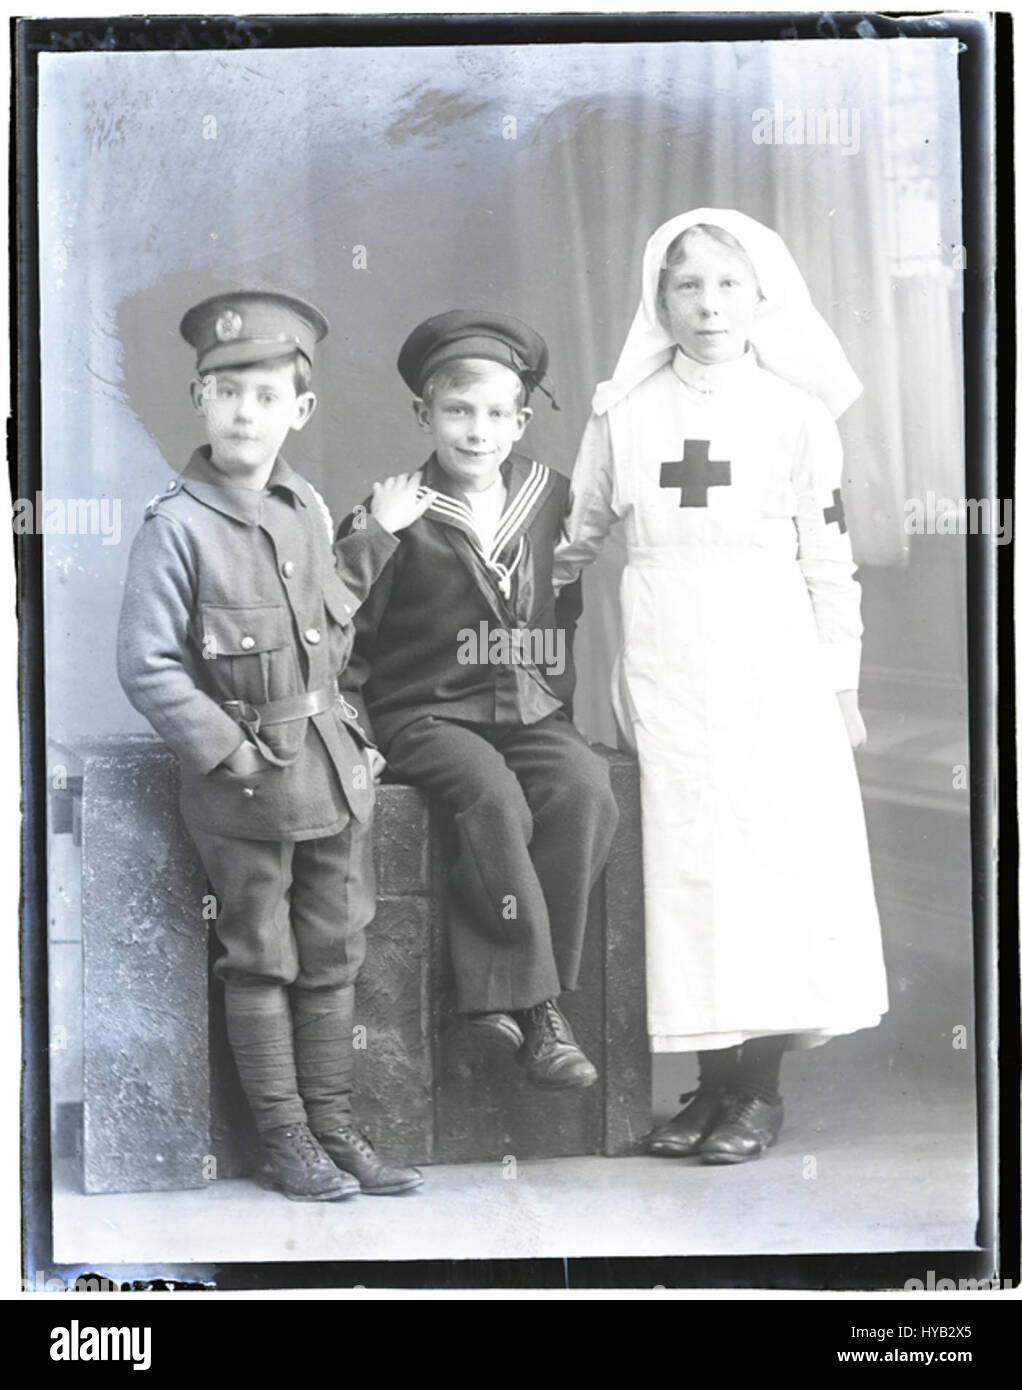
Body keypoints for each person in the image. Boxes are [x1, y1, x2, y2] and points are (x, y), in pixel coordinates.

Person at [554, 210, 889, 1163]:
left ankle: (759, 1095)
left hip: (775, 661)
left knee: (767, 866)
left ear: (761, 297)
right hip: (664, 660)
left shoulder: (797, 415)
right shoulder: (622, 414)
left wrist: (841, 687)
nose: (709, 305)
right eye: (688, 285)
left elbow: (829, 562)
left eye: (728, 284)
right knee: (688, 867)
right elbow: (572, 545)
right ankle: (711, 1087)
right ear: (659, 301)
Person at [117, 291, 430, 1201]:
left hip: (332, 774)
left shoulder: (304, 506)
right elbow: (147, 664)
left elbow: (330, 626)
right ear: (199, 399)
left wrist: (355, 738)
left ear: (300, 408)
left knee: (334, 952)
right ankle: (284, 1141)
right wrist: (232, 752)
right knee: (260, 957)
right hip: (246, 789)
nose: (244, 413)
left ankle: (334, 1128)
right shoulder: (176, 527)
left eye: (265, 396)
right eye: (226, 392)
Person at [339, 310, 620, 1091]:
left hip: (527, 708)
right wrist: (358, 733)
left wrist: (554, 693)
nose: (477, 431)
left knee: (585, 789)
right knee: (491, 794)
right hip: (424, 712)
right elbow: (344, 632)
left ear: (521, 421)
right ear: (423, 416)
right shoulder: (393, 511)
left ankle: (512, 996)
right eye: (458, 411)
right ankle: (537, 1010)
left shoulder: (552, 497)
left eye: (497, 414)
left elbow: (566, 603)